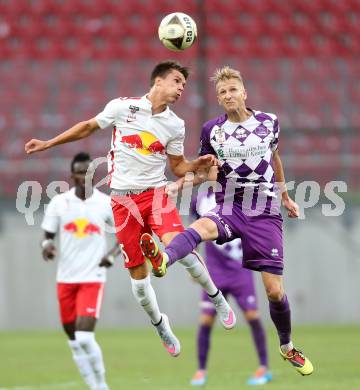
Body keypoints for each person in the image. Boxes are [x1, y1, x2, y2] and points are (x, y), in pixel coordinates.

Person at [25, 61, 236, 359]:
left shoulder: (175, 124)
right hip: (123, 202)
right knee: (139, 285)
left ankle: (216, 298)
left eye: (184, 85)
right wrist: (48, 143)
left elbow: (177, 167)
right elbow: (87, 127)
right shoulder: (123, 108)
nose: (180, 89)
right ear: (158, 81)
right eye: (176, 81)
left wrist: (196, 163)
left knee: (183, 249)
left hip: (156, 195)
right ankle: (161, 324)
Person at [140, 66, 314, 376]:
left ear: (244, 92)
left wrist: (285, 197)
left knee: (274, 292)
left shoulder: (269, 122)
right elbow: (206, 170)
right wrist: (178, 185)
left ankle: (287, 347)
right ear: (218, 99)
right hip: (230, 205)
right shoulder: (212, 131)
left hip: (264, 211)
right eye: (222, 92)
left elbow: (274, 158)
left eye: (232, 89)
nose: (227, 95)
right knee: (197, 228)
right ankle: (163, 258)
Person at [41, 152, 121, 390]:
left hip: (93, 277)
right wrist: (47, 248)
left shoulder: (106, 203)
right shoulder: (59, 203)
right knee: (74, 340)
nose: (83, 176)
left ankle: (101, 385)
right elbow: (47, 237)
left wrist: (111, 256)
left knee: (85, 336)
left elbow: (123, 240)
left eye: (88, 172)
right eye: (79, 172)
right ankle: (92, 385)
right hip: (65, 277)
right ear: (72, 176)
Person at [189, 190, 271, 386]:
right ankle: (201, 371)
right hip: (215, 271)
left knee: (252, 315)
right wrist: (194, 266)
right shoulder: (199, 200)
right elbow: (194, 233)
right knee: (206, 320)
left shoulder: (240, 193)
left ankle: (264, 367)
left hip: (240, 268)